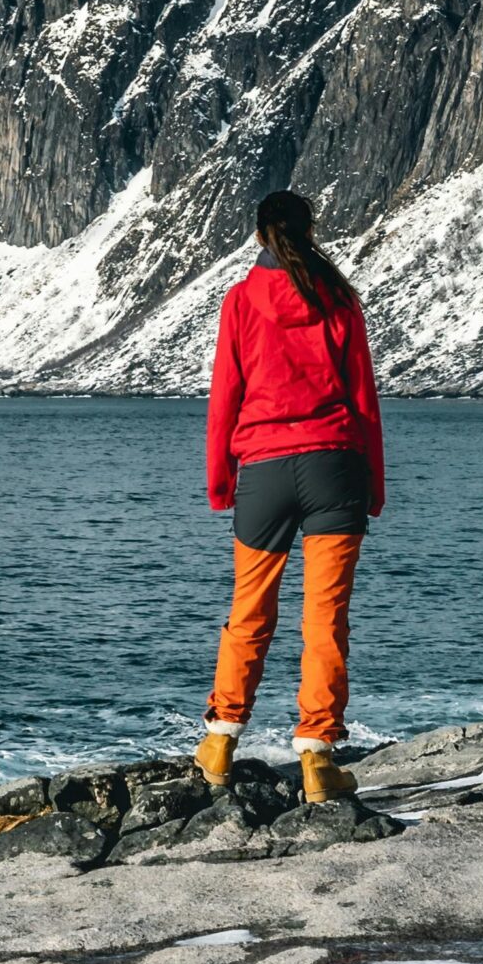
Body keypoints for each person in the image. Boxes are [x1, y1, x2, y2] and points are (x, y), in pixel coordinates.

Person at [194, 189, 385, 805]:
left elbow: (226, 394)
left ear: (259, 237)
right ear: (310, 232)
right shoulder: (339, 299)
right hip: (336, 467)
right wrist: (374, 484)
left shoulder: (241, 301)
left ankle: (220, 743)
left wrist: (221, 481)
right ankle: (318, 761)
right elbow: (364, 402)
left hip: (265, 474)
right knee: (325, 620)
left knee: (249, 612)